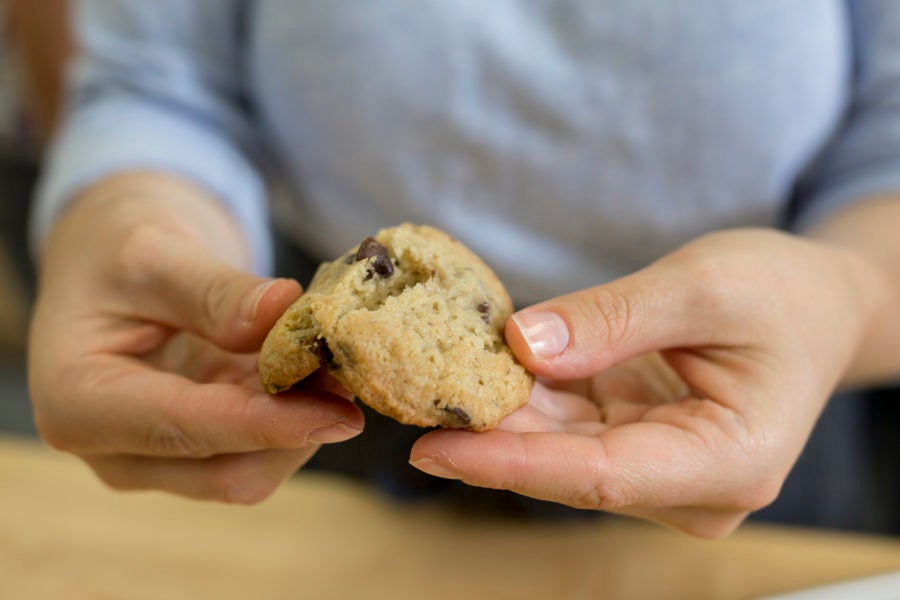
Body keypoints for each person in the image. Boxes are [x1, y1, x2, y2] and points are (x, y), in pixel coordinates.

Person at [27, 1, 900, 538]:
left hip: (750, 404)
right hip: (315, 416)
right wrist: (133, 218)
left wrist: (852, 295)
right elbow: (159, 85)